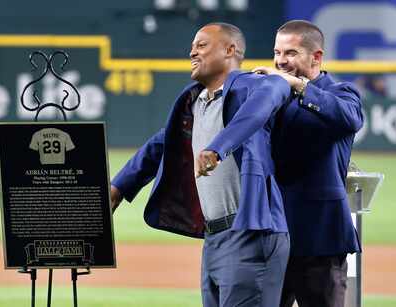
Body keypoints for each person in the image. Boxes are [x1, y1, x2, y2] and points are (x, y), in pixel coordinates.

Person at [111, 22, 291, 307]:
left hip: (249, 233)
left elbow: (275, 89)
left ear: (230, 50)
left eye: (202, 45)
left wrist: (218, 148)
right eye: (193, 46)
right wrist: (118, 187)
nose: (192, 52)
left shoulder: (251, 86)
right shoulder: (196, 101)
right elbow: (159, 145)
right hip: (214, 238)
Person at [253, 20, 363, 307]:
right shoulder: (272, 96)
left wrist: (299, 86)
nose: (280, 61)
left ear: (316, 57)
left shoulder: (341, 92)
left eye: (290, 53)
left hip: (320, 239)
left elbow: (349, 118)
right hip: (272, 235)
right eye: (277, 52)